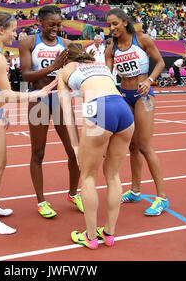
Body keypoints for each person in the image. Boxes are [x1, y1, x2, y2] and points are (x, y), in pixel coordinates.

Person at [0, 12, 57, 234]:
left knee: (0, 166)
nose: (15, 34)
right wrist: (35, 94)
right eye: (12, 30)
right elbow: (8, 94)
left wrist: (3, 112)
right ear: (1, 30)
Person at [57, 43, 134, 249]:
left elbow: (67, 112)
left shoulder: (65, 70)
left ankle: (90, 237)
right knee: (113, 175)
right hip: (123, 110)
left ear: (65, 59)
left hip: (99, 108)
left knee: (89, 176)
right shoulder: (100, 65)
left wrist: (75, 145)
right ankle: (108, 233)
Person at [19, 5, 82, 219]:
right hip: (39, 98)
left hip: (62, 99)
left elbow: (77, 70)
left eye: (58, 24)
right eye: (51, 24)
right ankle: (41, 201)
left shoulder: (66, 44)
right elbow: (26, 75)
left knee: (75, 151)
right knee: (38, 152)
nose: (55, 28)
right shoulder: (28, 42)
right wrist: (53, 66)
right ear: (40, 22)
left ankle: (74, 193)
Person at [105, 8, 169, 216]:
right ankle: (135, 190)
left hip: (143, 95)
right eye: (109, 25)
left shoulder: (142, 40)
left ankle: (162, 197)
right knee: (131, 145)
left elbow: (160, 62)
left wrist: (150, 81)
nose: (112, 28)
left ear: (124, 22)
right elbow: (107, 74)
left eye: (115, 24)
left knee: (144, 146)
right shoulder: (111, 48)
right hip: (125, 95)